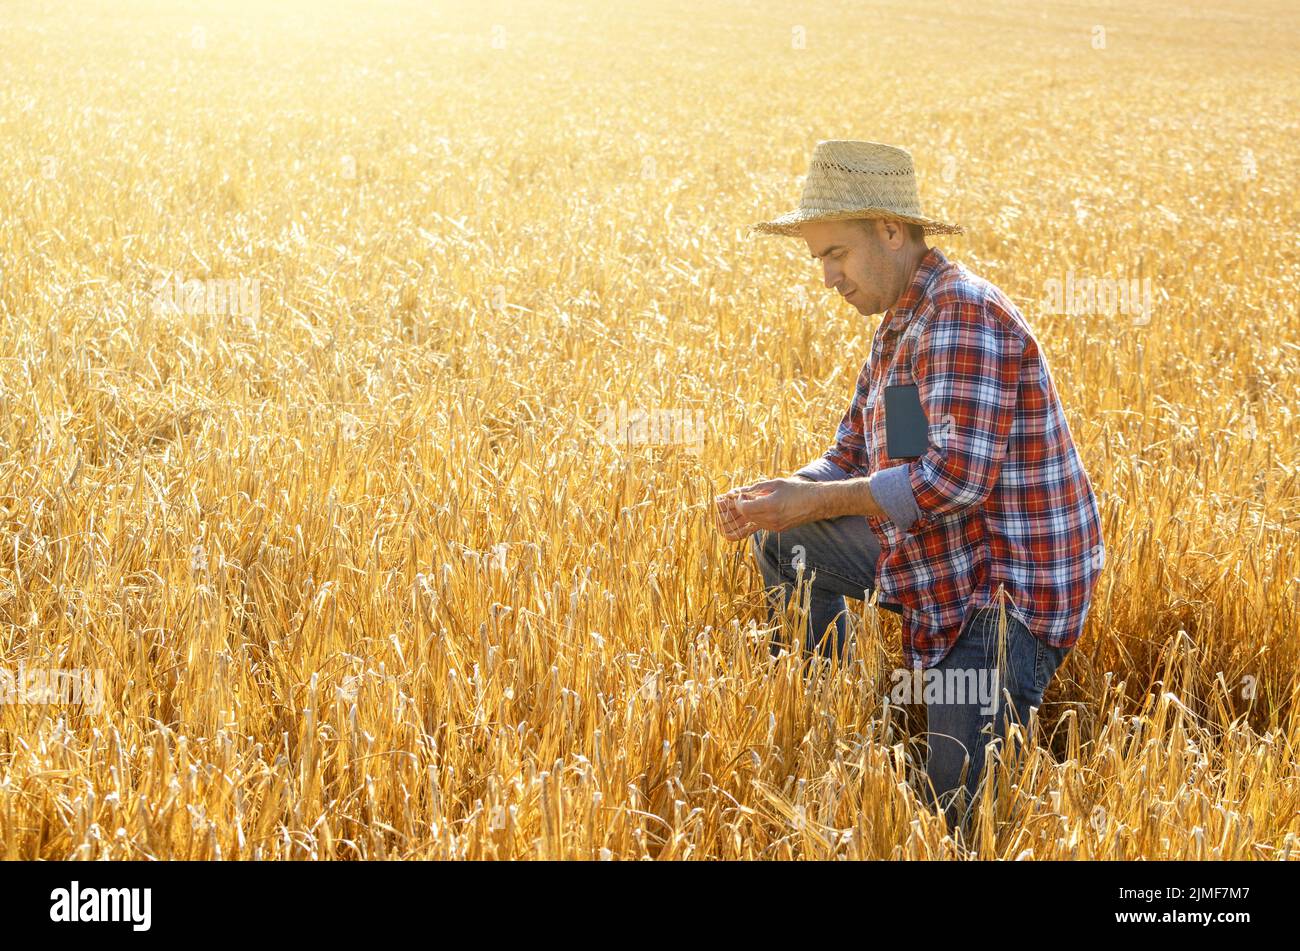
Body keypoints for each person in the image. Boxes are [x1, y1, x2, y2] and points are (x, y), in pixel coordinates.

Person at [715, 140, 1105, 839]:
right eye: (818, 260)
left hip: (1003, 591)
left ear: (891, 230)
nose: (827, 277)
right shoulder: (900, 324)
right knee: (786, 538)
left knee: (951, 811)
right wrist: (780, 495)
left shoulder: (961, 316)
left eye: (835, 253)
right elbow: (856, 457)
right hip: (941, 553)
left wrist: (817, 500)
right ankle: (829, 708)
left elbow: (953, 477)